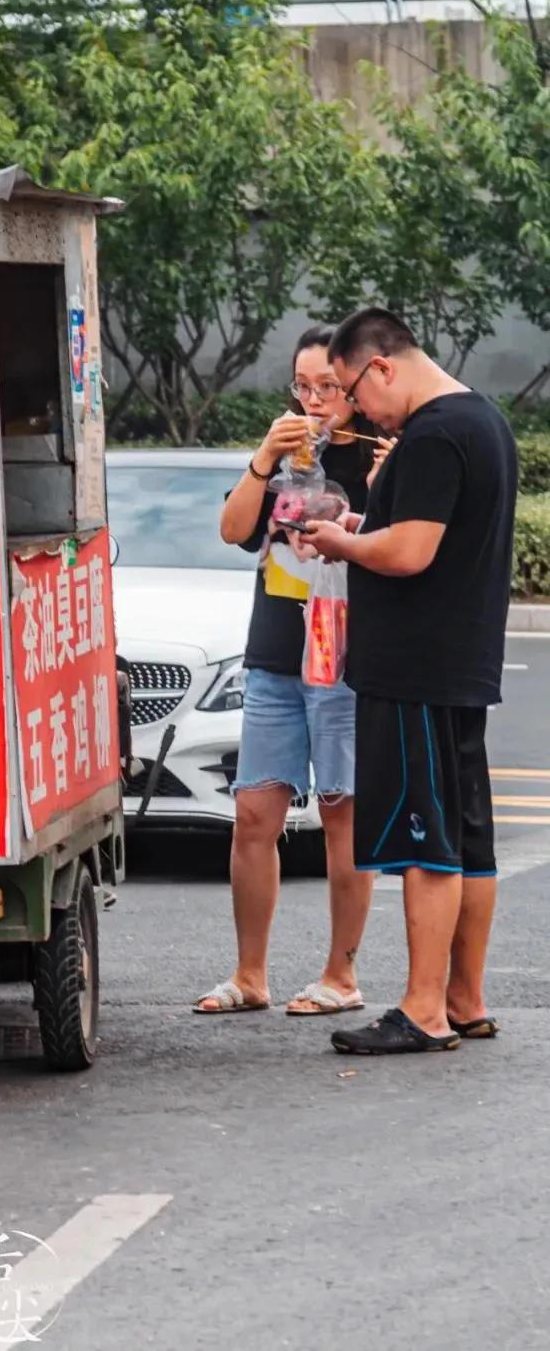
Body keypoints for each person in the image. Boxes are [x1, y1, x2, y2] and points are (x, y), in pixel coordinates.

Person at [307, 309, 517, 1056]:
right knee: (469, 841)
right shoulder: (484, 420)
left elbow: (411, 552)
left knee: (425, 841)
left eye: (353, 390)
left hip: (415, 669)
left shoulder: (432, 434)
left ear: (382, 366)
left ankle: (423, 1010)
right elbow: (431, 532)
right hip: (461, 663)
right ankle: (465, 999)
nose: (360, 410)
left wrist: (341, 542)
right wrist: (364, 523)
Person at [194, 325, 382, 1018]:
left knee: (341, 813)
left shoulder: (381, 452)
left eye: (328, 386)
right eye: (302, 387)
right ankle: (250, 975)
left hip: (345, 657)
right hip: (276, 651)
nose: (314, 400)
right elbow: (232, 529)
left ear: (356, 385)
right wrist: (261, 460)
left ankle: (341, 975)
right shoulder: (283, 453)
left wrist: (369, 503)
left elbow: (406, 545)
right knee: (253, 814)